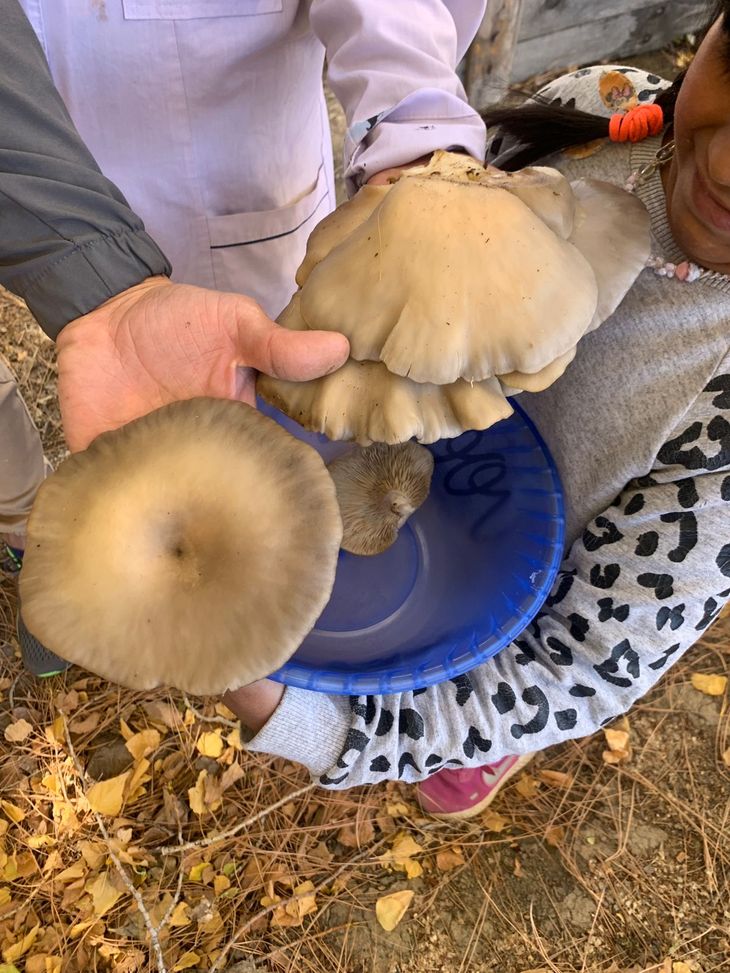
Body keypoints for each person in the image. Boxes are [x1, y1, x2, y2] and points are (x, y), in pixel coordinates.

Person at [222, 2, 730, 816]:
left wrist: (310, 724)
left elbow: (583, 663)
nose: (727, 163)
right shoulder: (598, 109)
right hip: (393, 511)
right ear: (707, 28)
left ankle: (470, 762)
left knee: (474, 727)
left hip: (513, 617)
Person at [0, 0, 487, 662]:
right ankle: (48, 553)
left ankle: (282, 586)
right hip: (48, 200)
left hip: (240, 205)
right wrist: (84, 268)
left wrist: (418, 141)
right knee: (143, 472)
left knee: (276, 424)